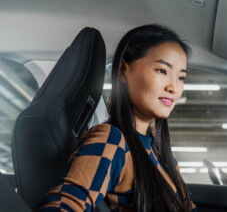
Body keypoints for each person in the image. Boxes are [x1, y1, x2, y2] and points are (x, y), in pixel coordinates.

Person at [38, 25, 196, 212]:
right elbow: (62, 207)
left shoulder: (164, 158)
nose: (174, 87)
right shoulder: (112, 141)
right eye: (162, 71)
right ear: (122, 71)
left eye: (181, 77)